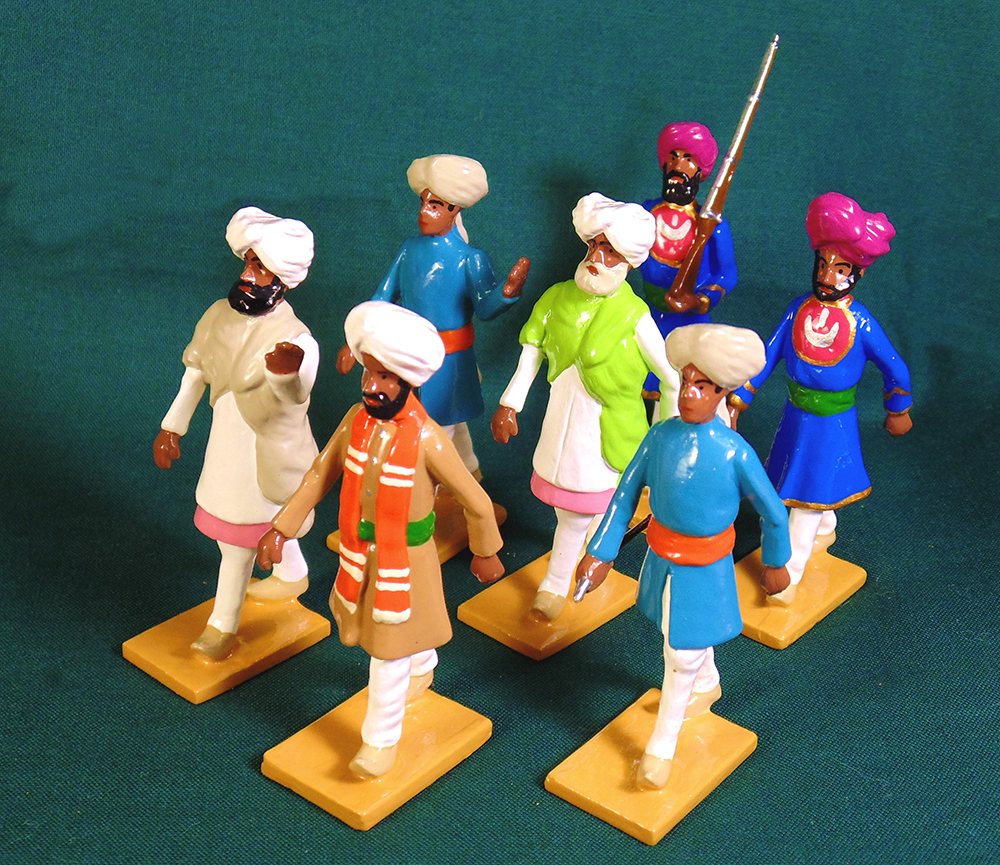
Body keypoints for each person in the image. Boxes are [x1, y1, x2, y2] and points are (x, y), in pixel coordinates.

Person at [259, 301, 504, 778]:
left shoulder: (429, 439)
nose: (372, 386)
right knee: (399, 634)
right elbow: (320, 473)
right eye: (369, 373)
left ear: (409, 381)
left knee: (386, 651)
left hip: (407, 561)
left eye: (385, 377)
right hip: (359, 552)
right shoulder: (356, 420)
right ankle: (423, 662)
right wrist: (282, 527)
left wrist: (486, 550)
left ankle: (379, 741)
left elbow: (474, 499)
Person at [576, 324, 791, 789]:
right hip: (661, 557)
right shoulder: (660, 437)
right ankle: (706, 682)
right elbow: (624, 495)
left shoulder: (734, 452)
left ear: (723, 392)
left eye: (704, 386)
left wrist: (776, 563)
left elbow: (773, 511)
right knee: (680, 637)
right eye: (686, 381)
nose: (690, 393)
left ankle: (662, 746)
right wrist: (601, 552)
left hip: (704, 568)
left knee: (679, 653)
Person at [491, 192, 679, 621]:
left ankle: (555, 584)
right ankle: (597, 543)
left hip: (608, 427)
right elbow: (531, 352)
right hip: (562, 420)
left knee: (574, 513)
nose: (597, 258)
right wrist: (510, 404)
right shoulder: (557, 297)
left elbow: (670, 376)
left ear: (628, 261)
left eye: (609, 251)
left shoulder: (634, 314)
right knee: (580, 504)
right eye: (594, 246)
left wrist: (665, 437)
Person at [729, 192, 913, 604]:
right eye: (823, 263)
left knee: (807, 495)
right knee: (796, 483)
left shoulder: (860, 322)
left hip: (833, 425)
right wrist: (741, 395)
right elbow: (769, 354)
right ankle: (825, 524)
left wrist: (897, 408)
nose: (827, 275)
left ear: (856, 274)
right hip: (794, 417)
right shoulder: (797, 310)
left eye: (840, 267)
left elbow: (895, 367)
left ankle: (789, 572)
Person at [154, 206, 319, 661]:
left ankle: (222, 626)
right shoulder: (217, 317)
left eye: (261, 267)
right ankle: (293, 574)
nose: (249, 274)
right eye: (248, 262)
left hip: (270, 448)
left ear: (282, 280)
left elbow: (297, 394)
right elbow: (195, 373)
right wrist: (172, 426)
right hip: (227, 442)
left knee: (238, 543)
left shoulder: (297, 339)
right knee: (258, 521)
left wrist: (286, 373)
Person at [337, 154, 530, 476]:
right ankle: (464, 474)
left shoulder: (470, 258)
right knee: (424, 419)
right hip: (405, 355)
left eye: (436, 205)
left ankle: (433, 485)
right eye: (424, 203)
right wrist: (354, 340)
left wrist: (507, 292)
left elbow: (485, 307)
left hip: (450, 361)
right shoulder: (409, 249)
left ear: (455, 210)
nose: (424, 212)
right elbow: (383, 296)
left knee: (437, 426)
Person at [639, 122, 738, 400]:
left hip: (690, 323)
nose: (677, 166)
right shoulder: (645, 213)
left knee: (682, 390)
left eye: (688, 159)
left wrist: (699, 300)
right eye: (672, 158)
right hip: (647, 317)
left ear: (700, 171)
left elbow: (726, 275)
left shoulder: (714, 227)